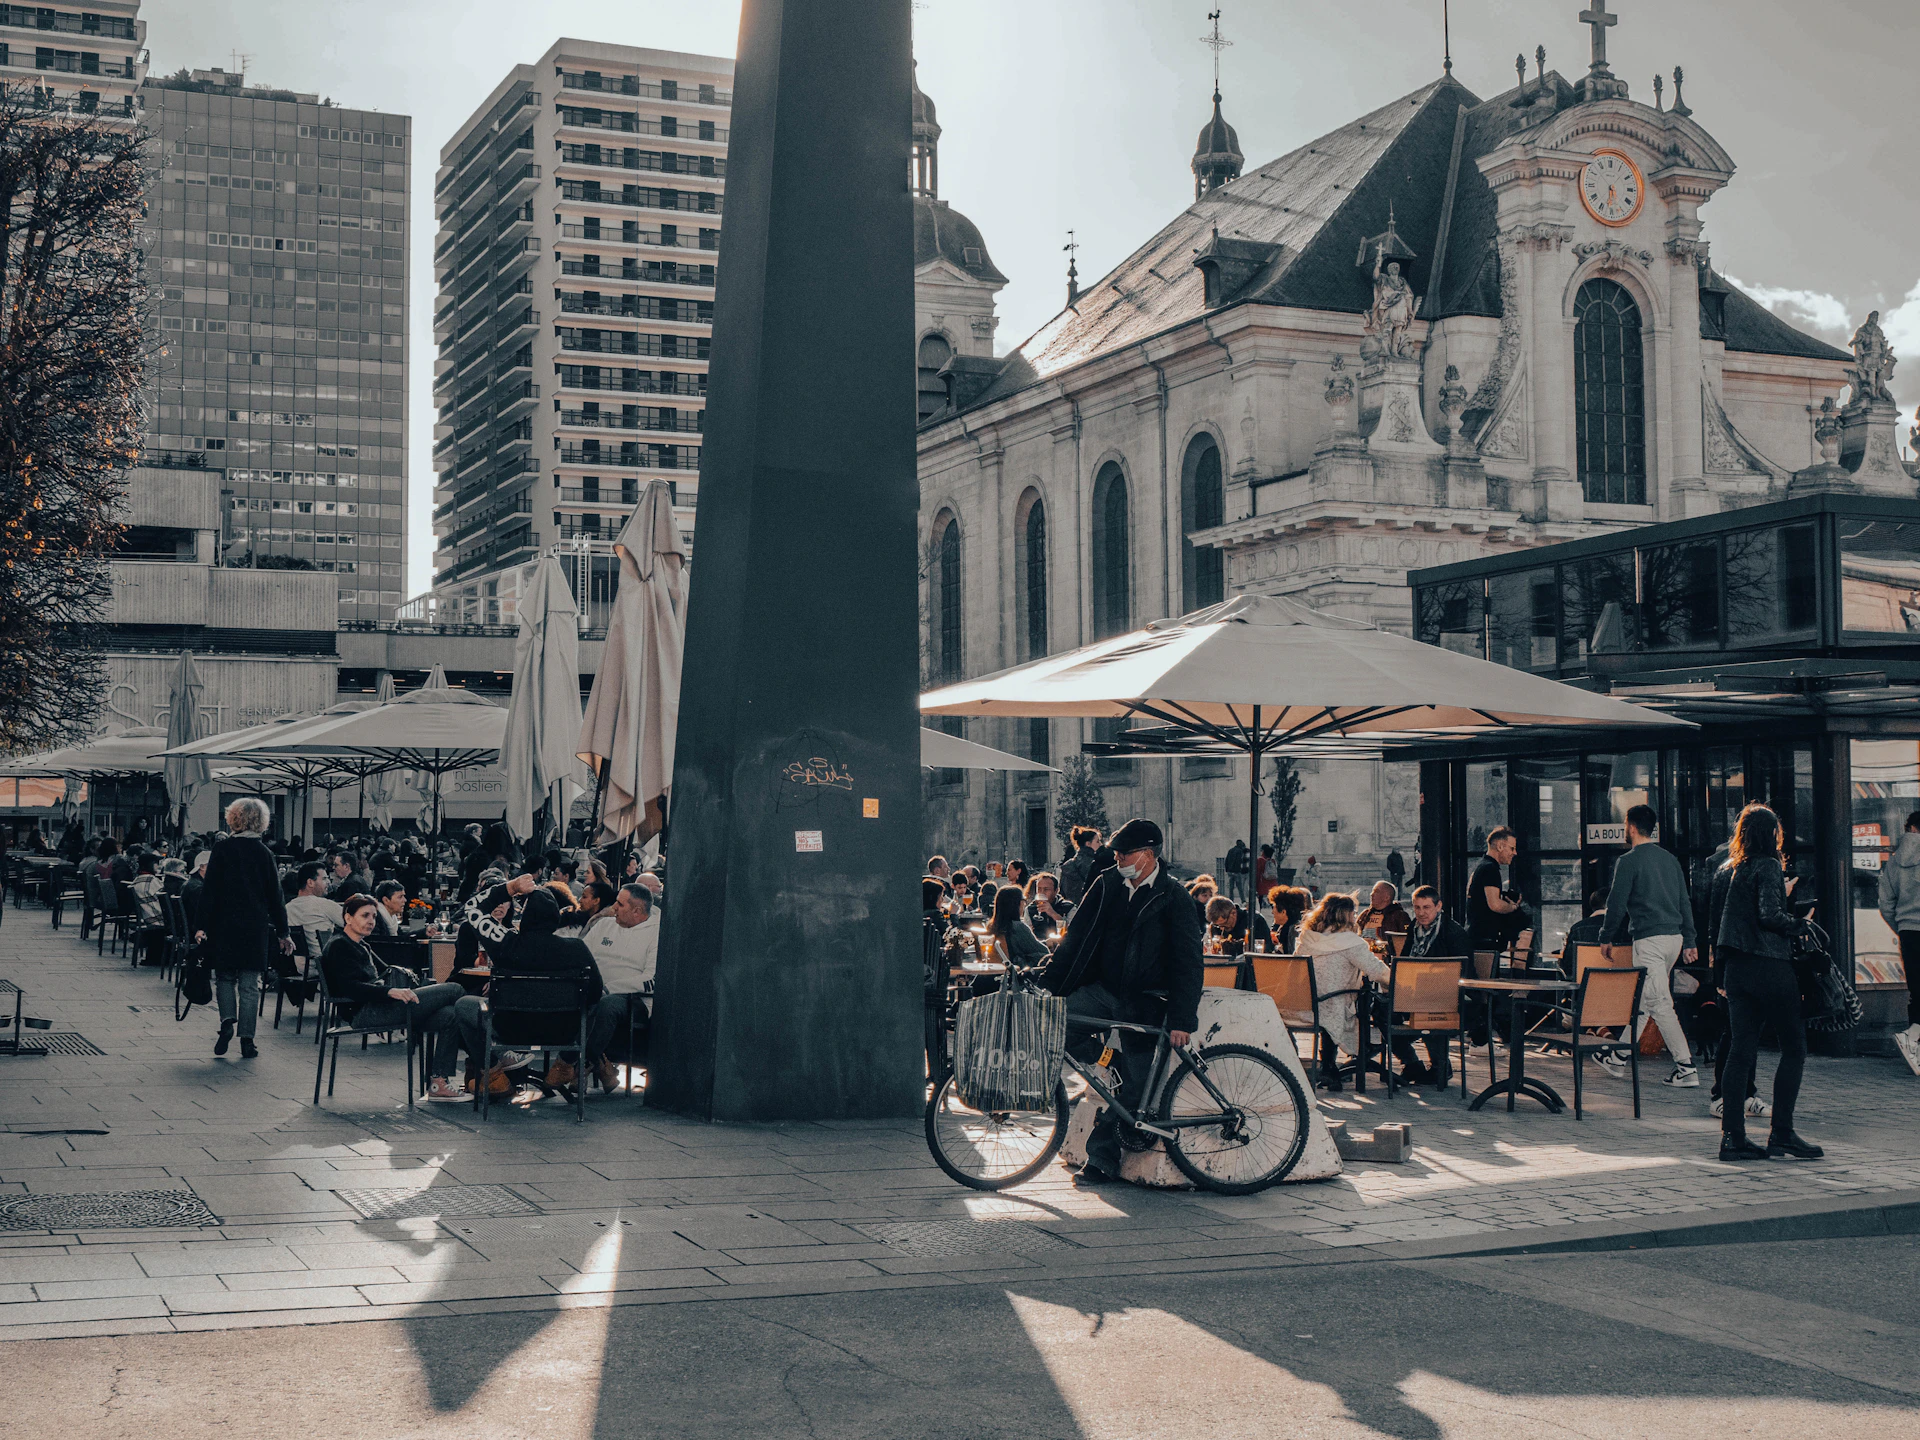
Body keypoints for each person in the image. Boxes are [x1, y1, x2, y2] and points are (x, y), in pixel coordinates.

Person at [1039, 818, 1202, 1183]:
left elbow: (1188, 961)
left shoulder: (1174, 897)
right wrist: (1050, 985)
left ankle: (1101, 1159)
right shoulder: (1107, 882)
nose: (1117, 858)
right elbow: (1076, 938)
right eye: (1115, 852)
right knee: (1051, 1024)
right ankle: (1110, 1058)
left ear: (1147, 855)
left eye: (1124, 853)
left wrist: (1181, 1018)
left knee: (1135, 1089)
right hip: (1104, 990)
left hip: (1146, 1000)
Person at [1713, 803, 1822, 1163]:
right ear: (1771, 834)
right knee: (1794, 1047)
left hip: (1736, 970)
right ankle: (1783, 1134)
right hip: (1769, 967)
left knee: (1741, 1052)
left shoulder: (1728, 870)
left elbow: (1719, 926)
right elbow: (1769, 915)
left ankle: (1733, 1138)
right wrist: (1800, 921)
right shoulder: (1769, 865)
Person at [322, 893, 472, 1102]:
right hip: (366, 1013)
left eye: (374, 916)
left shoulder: (360, 944)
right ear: (348, 917)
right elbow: (350, 988)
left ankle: (439, 1083)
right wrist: (389, 992)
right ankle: (487, 1058)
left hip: (379, 1006)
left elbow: (385, 971)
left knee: (450, 1015)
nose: (371, 921)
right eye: (365, 915)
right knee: (454, 989)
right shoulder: (340, 945)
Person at [1595, 804, 1699, 1089]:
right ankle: (1617, 1056)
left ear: (1630, 826)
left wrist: (1606, 937)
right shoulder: (1670, 860)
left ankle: (1686, 1067)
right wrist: (1690, 940)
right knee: (1645, 1001)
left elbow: (1616, 903)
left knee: (1661, 1004)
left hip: (1649, 940)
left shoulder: (1628, 861)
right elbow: (1684, 902)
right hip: (1673, 940)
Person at [469, 888, 605, 1093]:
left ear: (524, 917)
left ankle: (494, 1074)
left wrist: (509, 887)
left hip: (510, 1030)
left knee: (463, 1006)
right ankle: (564, 1064)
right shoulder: (577, 949)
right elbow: (595, 993)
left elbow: (472, 909)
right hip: (563, 1031)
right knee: (597, 1003)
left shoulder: (506, 944)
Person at [195, 798, 291, 1060]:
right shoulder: (264, 853)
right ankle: (247, 1040)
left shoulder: (222, 849)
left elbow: (209, 891)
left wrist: (201, 926)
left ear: (233, 818)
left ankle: (227, 1021)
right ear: (261, 821)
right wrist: (283, 932)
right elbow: (276, 896)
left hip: (223, 925)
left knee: (225, 978)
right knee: (250, 985)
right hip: (254, 926)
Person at [1295, 892, 1388, 1092]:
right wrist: (1402, 980)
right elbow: (1377, 971)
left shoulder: (1307, 939)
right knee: (1374, 1000)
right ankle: (1366, 1050)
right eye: (1353, 913)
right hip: (1333, 1006)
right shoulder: (1350, 943)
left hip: (1302, 1006)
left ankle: (1334, 1065)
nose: (1355, 917)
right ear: (1346, 916)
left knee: (1346, 1000)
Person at [582, 883, 659, 1091]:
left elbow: (651, 978)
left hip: (634, 999)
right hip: (593, 991)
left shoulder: (656, 933)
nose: (613, 907)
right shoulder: (603, 925)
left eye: (619, 903)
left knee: (607, 1005)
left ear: (637, 911)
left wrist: (609, 988)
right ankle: (600, 1066)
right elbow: (581, 958)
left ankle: (579, 1064)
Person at [1876, 809, 1920, 1076]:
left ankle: (1914, 1038)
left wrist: (1903, 925)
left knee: (1916, 988)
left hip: (1909, 931)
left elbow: (1885, 903)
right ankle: (1912, 1036)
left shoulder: (1894, 862)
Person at [1465, 827, 1525, 951]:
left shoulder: (1481, 866)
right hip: (1485, 940)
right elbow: (1495, 905)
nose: (1515, 853)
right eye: (1512, 848)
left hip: (1476, 936)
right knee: (1488, 971)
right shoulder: (1490, 869)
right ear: (1500, 846)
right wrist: (1512, 907)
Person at [284, 863, 344, 936]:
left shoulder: (287, 909)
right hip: (324, 947)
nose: (328, 882)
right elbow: (354, 922)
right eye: (324, 879)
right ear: (310, 882)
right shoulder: (324, 905)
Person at [1204, 895, 1271, 956]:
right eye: (1218, 925)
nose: (1221, 928)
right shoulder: (1215, 926)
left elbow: (1266, 948)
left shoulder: (1254, 921)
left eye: (1225, 924)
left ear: (1233, 913)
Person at [1356, 881, 1412, 946]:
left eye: (1376, 891)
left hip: (1385, 954)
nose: (1371, 894)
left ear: (1387, 897)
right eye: (1372, 891)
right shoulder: (1365, 914)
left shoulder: (1399, 916)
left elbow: (1406, 940)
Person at [1025, 871, 1073, 941]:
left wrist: (1053, 914)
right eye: (1039, 889)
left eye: (1046, 889)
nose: (1042, 893)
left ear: (1056, 891)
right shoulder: (1030, 909)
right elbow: (1028, 936)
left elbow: (1073, 931)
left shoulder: (1069, 908)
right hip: (1041, 949)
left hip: (1062, 946)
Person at [1059, 826, 1101, 905]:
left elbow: (1062, 892)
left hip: (1071, 908)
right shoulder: (1094, 863)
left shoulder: (1068, 864)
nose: (1100, 844)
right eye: (1098, 841)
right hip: (1089, 907)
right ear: (1088, 844)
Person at [1266, 885, 1310, 953]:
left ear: (1283, 912)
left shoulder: (1293, 931)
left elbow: (1292, 958)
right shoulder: (1285, 928)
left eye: (1274, 908)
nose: (1272, 912)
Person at [1224, 838, 1250, 905]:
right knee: (1240, 887)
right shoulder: (1240, 851)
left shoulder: (1230, 850)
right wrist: (1239, 870)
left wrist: (1227, 869)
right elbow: (1239, 861)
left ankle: (1231, 900)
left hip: (1230, 871)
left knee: (1231, 888)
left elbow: (1226, 860)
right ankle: (1243, 900)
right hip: (1237, 872)